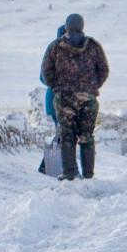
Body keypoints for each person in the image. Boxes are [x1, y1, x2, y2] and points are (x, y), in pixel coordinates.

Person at [40, 13, 110, 180]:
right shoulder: (93, 46)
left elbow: (46, 72)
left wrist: (56, 87)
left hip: (64, 99)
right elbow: (104, 70)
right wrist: (92, 87)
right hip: (88, 98)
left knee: (67, 135)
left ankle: (69, 173)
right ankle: (88, 175)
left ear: (66, 26)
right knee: (87, 136)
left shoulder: (56, 46)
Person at [37, 21, 66, 176]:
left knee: (63, 133)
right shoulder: (53, 52)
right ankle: (53, 166)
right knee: (64, 133)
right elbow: (42, 76)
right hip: (56, 101)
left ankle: (49, 165)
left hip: (62, 101)